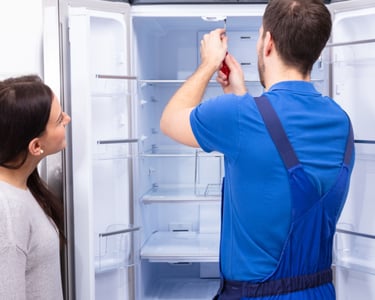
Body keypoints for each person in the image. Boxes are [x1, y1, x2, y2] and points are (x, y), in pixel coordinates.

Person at [160, 0, 355, 299]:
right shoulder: (341, 122)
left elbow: (170, 121)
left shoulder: (238, 116)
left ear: (268, 43)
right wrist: (239, 94)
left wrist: (209, 63)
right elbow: (271, 161)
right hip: (320, 291)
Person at [0, 75, 71, 299]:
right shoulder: (8, 211)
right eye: (59, 120)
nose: (67, 119)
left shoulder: (22, 186)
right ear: (36, 146)